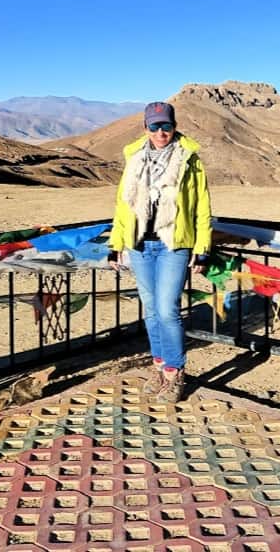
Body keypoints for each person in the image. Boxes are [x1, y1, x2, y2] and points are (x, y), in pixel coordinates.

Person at [108, 101, 212, 403]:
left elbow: (202, 207)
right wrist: (116, 244)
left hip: (173, 244)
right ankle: (159, 365)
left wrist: (202, 247)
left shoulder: (189, 160)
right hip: (139, 243)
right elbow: (122, 207)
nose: (161, 132)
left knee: (168, 310)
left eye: (166, 126)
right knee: (152, 311)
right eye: (154, 126)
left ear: (175, 126)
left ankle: (175, 372)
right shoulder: (135, 157)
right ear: (145, 128)